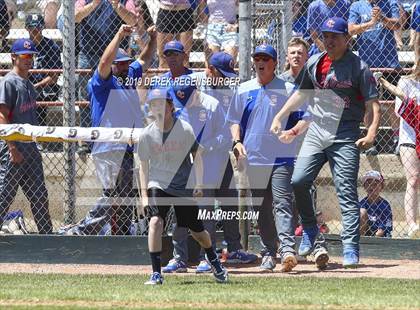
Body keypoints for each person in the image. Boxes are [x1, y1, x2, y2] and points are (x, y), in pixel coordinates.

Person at [270, 17, 381, 268]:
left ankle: (351, 247)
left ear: (347, 39)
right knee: (298, 180)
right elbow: (301, 94)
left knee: (345, 192)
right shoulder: (315, 62)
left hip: (345, 133)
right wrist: (280, 115)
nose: (329, 40)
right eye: (326, 35)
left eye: (335, 36)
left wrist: (372, 131)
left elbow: (373, 104)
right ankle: (310, 229)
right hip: (318, 131)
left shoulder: (358, 67)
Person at [61, 24, 155, 235]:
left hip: (127, 147)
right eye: (119, 64)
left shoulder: (128, 76)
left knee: (126, 196)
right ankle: (82, 229)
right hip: (108, 147)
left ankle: (120, 233)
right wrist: (119, 35)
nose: (123, 67)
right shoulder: (101, 82)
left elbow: (145, 59)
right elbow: (104, 62)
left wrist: (154, 39)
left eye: (125, 64)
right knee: (113, 195)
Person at [227, 44, 311, 272]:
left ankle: (287, 251)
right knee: (261, 207)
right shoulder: (243, 89)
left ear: (274, 63)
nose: (260, 62)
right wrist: (236, 142)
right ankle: (268, 252)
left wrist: (292, 132)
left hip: (281, 157)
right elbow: (234, 120)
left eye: (265, 58)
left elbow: (305, 118)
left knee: (282, 203)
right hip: (253, 158)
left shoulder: (288, 88)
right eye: (257, 58)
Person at [138, 88, 228, 285]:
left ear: (171, 107)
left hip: (181, 186)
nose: (158, 108)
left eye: (162, 104)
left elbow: (197, 156)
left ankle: (214, 260)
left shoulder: (184, 129)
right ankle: (155, 273)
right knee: (155, 222)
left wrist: (199, 183)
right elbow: (143, 168)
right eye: (154, 105)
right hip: (158, 184)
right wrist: (144, 197)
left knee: (197, 232)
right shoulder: (147, 135)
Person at [0, 38, 53, 234]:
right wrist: (12, 148)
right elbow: (2, 116)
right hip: (13, 150)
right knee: (3, 196)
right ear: (14, 57)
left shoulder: (28, 84)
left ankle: (48, 239)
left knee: (39, 196)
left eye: (31, 56)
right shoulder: (8, 82)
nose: (28, 59)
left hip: (31, 150)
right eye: (24, 55)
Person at [75, 0, 138, 155]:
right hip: (88, 53)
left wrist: (117, 6)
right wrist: (94, 4)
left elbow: (133, 19)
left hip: (115, 57)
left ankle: (115, 139)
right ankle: (86, 140)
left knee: (117, 95)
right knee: (85, 97)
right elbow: (76, 16)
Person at [25, 14, 62, 129]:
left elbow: (54, 77)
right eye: (32, 28)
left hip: (45, 87)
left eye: (38, 27)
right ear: (26, 28)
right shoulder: (23, 46)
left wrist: (35, 86)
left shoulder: (51, 47)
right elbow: (17, 73)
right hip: (25, 85)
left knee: (37, 95)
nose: (35, 31)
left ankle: (37, 136)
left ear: (42, 28)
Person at [155, 0, 207, 68]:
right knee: (163, 55)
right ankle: (164, 77)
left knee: (184, 56)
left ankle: (184, 78)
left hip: (184, 11)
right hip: (165, 10)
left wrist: (201, 11)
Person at [359, 170, 393, 238]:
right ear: (364, 187)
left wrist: (375, 238)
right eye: (368, 183)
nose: (371, 187)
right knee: (362, 211)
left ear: (381, 187)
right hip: (366, 233)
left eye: (375, 184)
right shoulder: (362, 203)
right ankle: (361, 240)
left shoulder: (384, 205)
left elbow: (384, 228)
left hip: (381, 234)